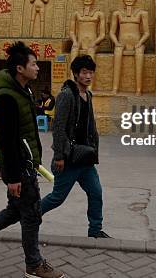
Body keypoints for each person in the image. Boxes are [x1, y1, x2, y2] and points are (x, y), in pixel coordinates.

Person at [0, 42, 65, 278]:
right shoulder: (6, 97)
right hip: (20, 168)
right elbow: (7, 140)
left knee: (15, 212)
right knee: (32, 215)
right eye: (33, 64)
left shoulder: (23, 90)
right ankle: (34, 265)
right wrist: (14, 176)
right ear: (20, 68)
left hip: (26, 164)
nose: (37, 68)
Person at [41, 55, 111, 239]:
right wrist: (59, 156)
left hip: (85, 157)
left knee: (96, 192)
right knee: (57, 198)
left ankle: (95, 230)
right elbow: (58, 127)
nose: (88, 76)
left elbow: (90, 125)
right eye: (84, 72)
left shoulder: (87, 95)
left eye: (91, 73)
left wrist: (94, 149)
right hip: (69, 158)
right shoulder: (66, 95)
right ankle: (31, 216)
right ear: (76, 74)